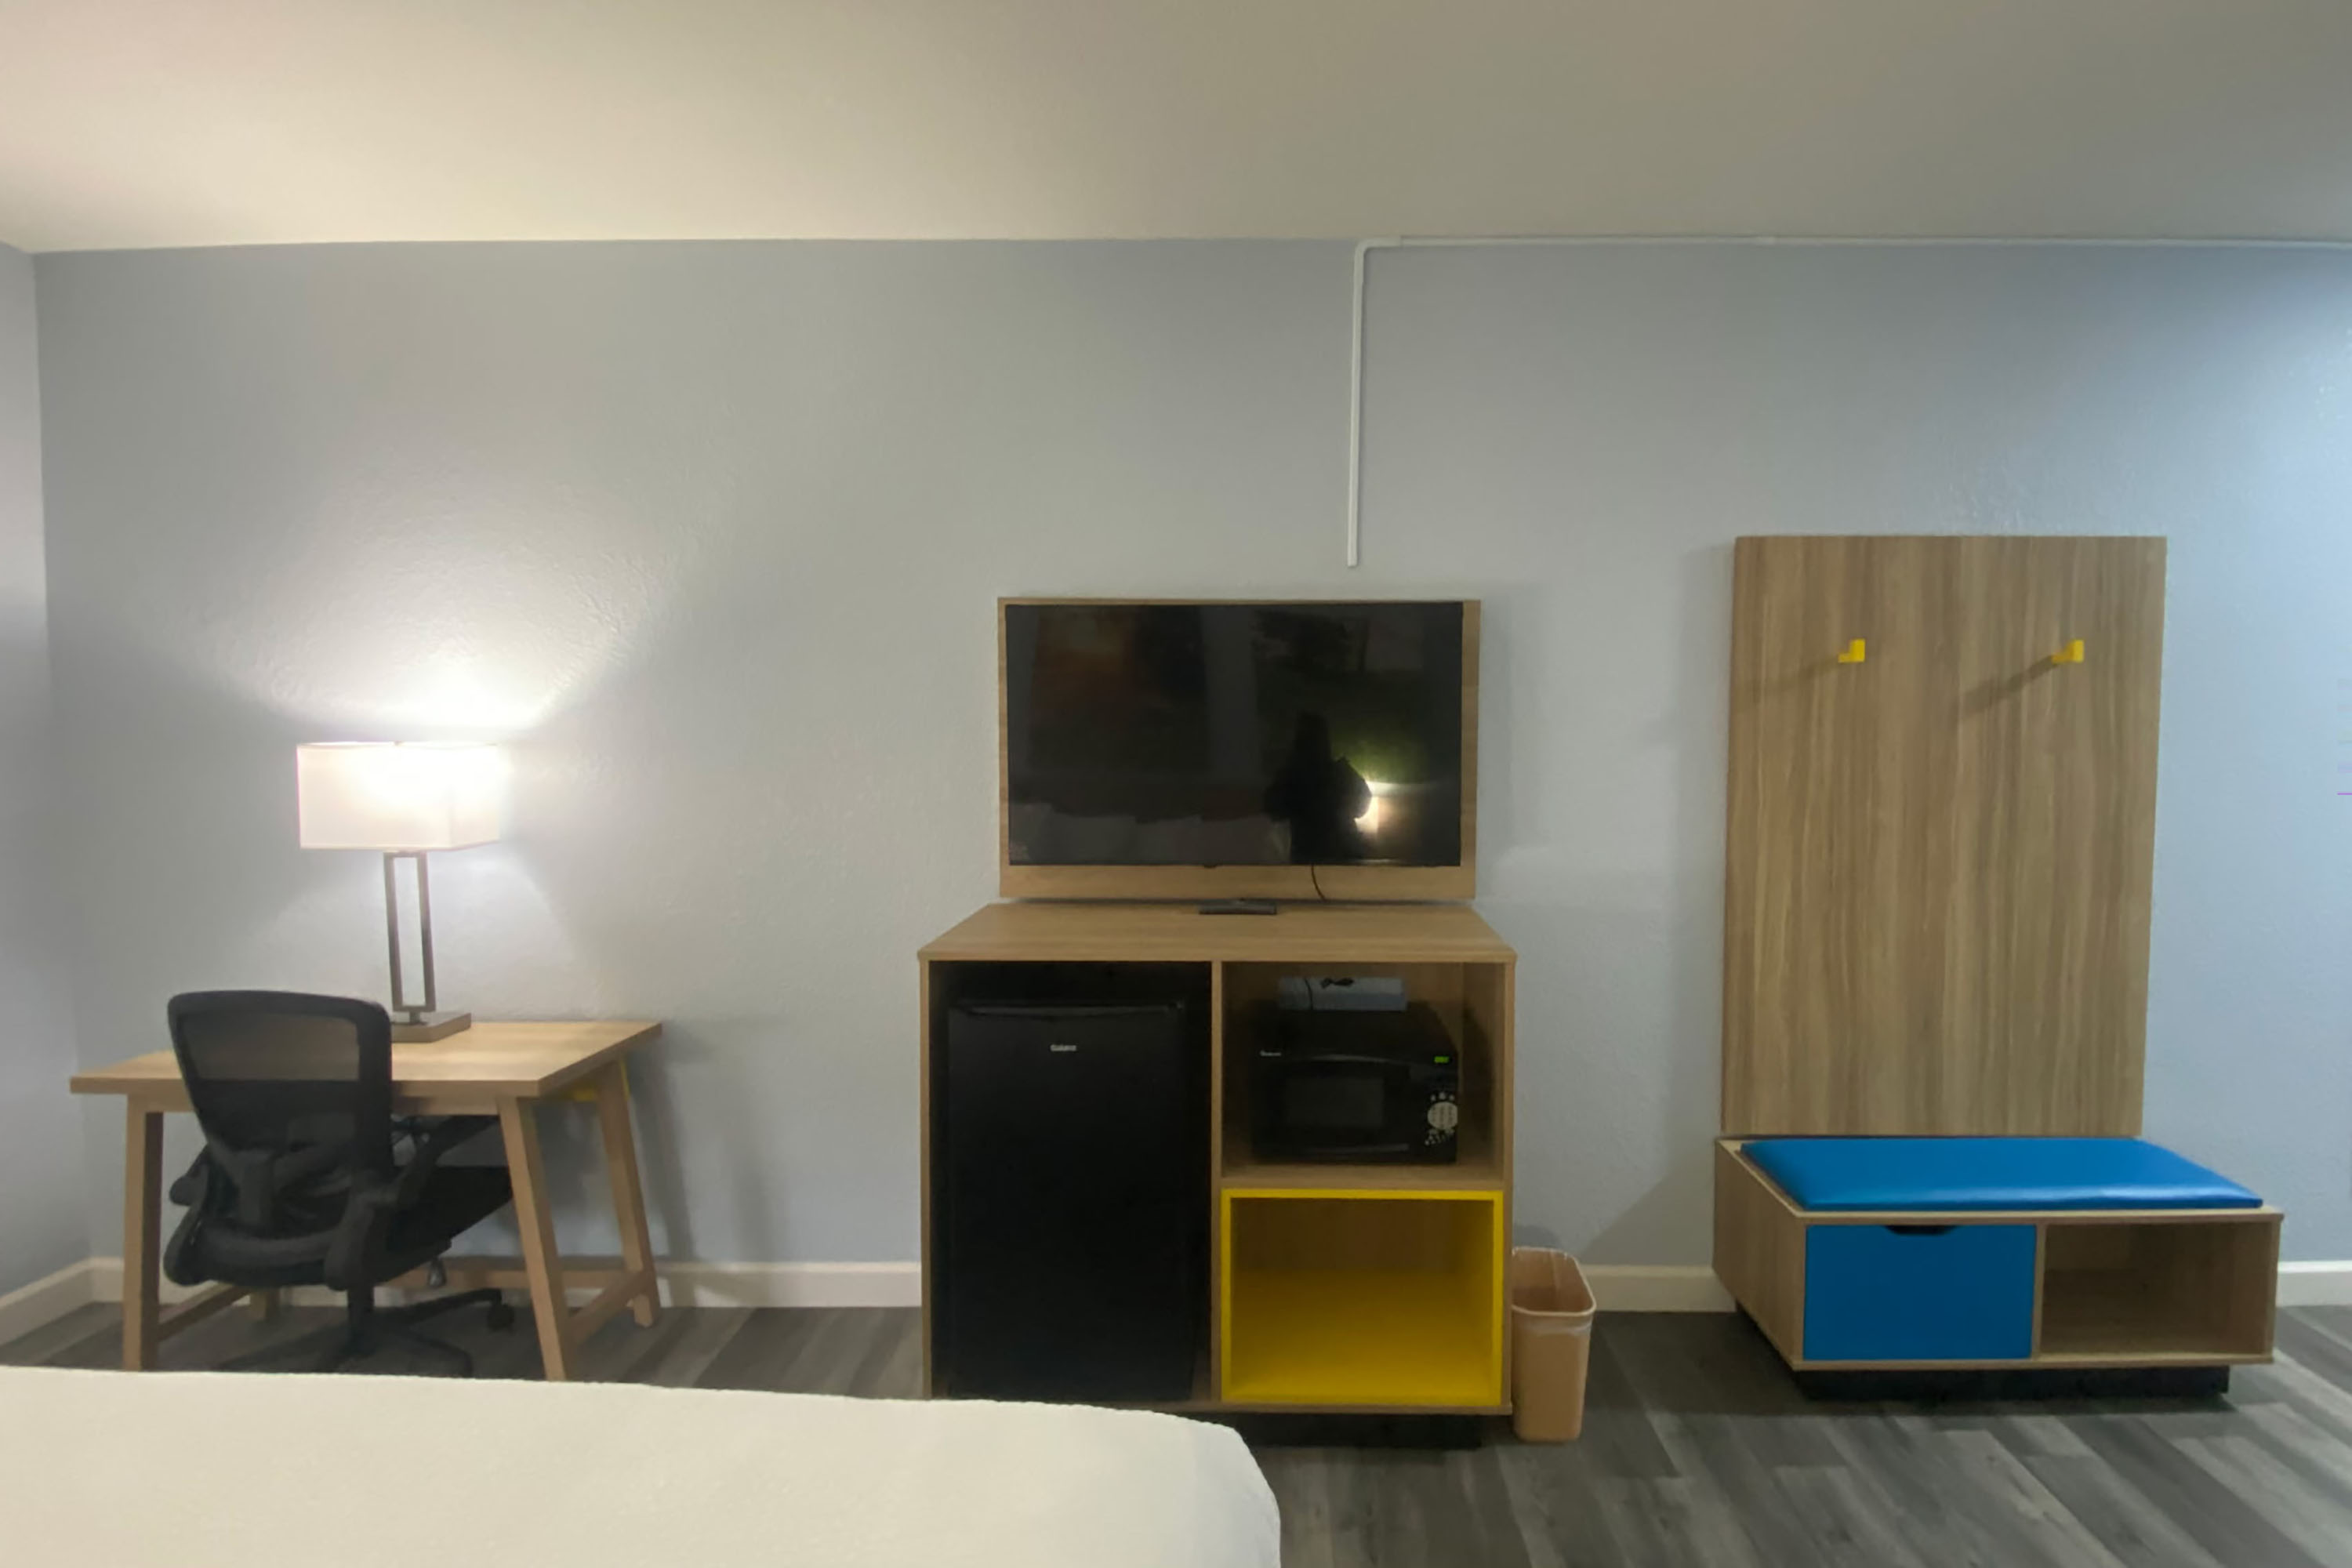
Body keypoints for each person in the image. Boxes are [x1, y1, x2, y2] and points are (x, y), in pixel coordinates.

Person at [1264, 712, 1370, 864]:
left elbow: (1273, 809)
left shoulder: (1294, 775)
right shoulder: (1339, 772)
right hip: (1330, 854)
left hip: (1325, 854)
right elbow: (1273, 808)